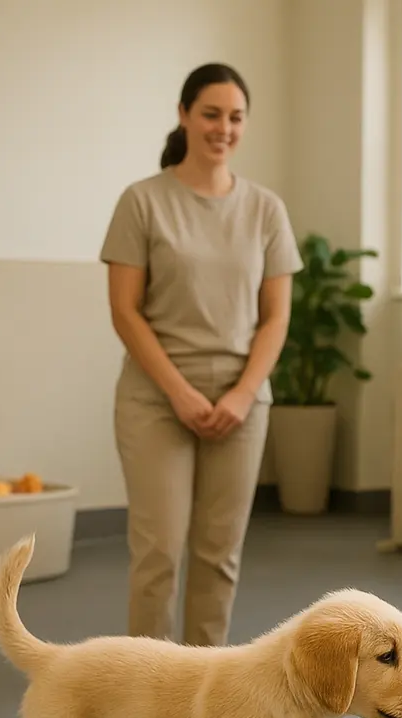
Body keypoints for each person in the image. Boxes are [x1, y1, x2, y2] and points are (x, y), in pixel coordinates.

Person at [99, 63, 302, 646]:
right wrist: (180, 392)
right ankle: (139, 695)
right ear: (184, 115)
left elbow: (276, 317)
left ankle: (200, 696)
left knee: (219, 557)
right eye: (211, 114)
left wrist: (241, 394)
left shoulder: (266, 210)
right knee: (157, 554)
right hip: (156, 395)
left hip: (242, 398)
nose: (223, 127)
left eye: (235, 117)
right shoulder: (142, 202)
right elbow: (124, 311)